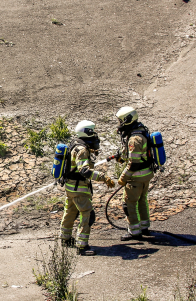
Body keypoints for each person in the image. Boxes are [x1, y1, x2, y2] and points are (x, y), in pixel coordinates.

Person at [59, 120, 116, 255]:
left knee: (70, 212)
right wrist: (103, 177)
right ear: (87, 132)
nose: (95, 135)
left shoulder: (74, 144)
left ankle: (65, 239)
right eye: (93, 131)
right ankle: (82, 246)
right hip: (79, 189)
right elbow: (84, 171)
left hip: (70, 188)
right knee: (87, 215)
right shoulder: (82, 150)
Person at [114, 106, 154, 240]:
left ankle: (134, 231)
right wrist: (121, 158)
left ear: (127, 120)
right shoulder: (141, 131)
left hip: (137, 177)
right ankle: (144, 227)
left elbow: (134, 163)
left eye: (121, 121)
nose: (119, 124)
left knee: (129, 203)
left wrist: (123, 177)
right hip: (146, 175)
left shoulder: (134, 139)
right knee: (142, 201)